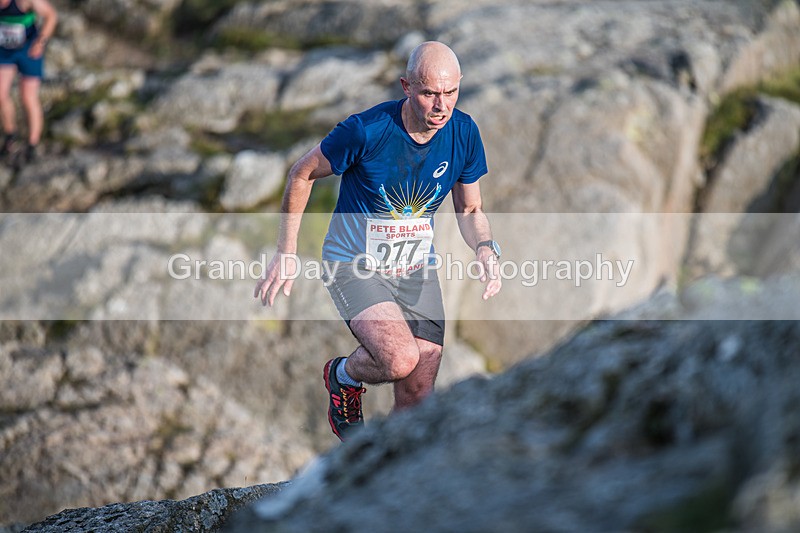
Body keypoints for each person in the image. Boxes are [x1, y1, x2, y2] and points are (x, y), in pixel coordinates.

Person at [254, 41, 502, 442]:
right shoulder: (366, 130)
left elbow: (470, 210)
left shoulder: (464, 133)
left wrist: (486, 248)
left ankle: (397, 476)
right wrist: (287, 252)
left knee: (420, 385)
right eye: (429, 94)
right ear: (406, 86)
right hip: (353, 264)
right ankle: (342, 376)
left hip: (416, 268)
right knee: (399, 358)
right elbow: (300, 174)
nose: (441, 106)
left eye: (451, 93)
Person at [0, 0, 56, 163]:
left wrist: (41, 42)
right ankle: (11, 135)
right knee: (1, 94)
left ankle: (32, 143)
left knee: (28, 97)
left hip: (28, 52)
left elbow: (51, 15)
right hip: (4, 51)